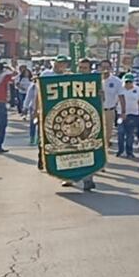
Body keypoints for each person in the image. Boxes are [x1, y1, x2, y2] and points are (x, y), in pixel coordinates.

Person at [61, 59, 98, 192]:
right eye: (81, 67)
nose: (82, 70)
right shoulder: (71, 80)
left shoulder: (95, 82)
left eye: (85, 68)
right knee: (70, 149)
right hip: (72, 120)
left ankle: (88, 179)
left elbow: (101, 99)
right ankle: (69, 178)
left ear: (90, 69)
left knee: (88, 149)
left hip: (89, 121)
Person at [117, 73, 139, 160]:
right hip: (120, 114)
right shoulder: (120, 89)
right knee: (120, 132)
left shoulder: (137, 89)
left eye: (130, 82)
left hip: (133, 114)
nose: (128, 83)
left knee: (130, 134)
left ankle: (129, 152)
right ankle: (120, 150)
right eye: (126, 82)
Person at [99, 60, 121, 150]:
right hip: (97, 110)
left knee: (108, 132)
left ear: (111, 68)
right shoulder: (95, 79)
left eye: (107, 67)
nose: (105, 69)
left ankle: (105, 148)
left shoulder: (117, 81)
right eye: (103, 67)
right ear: (99, 68)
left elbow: (121, 95)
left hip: (109, 110)